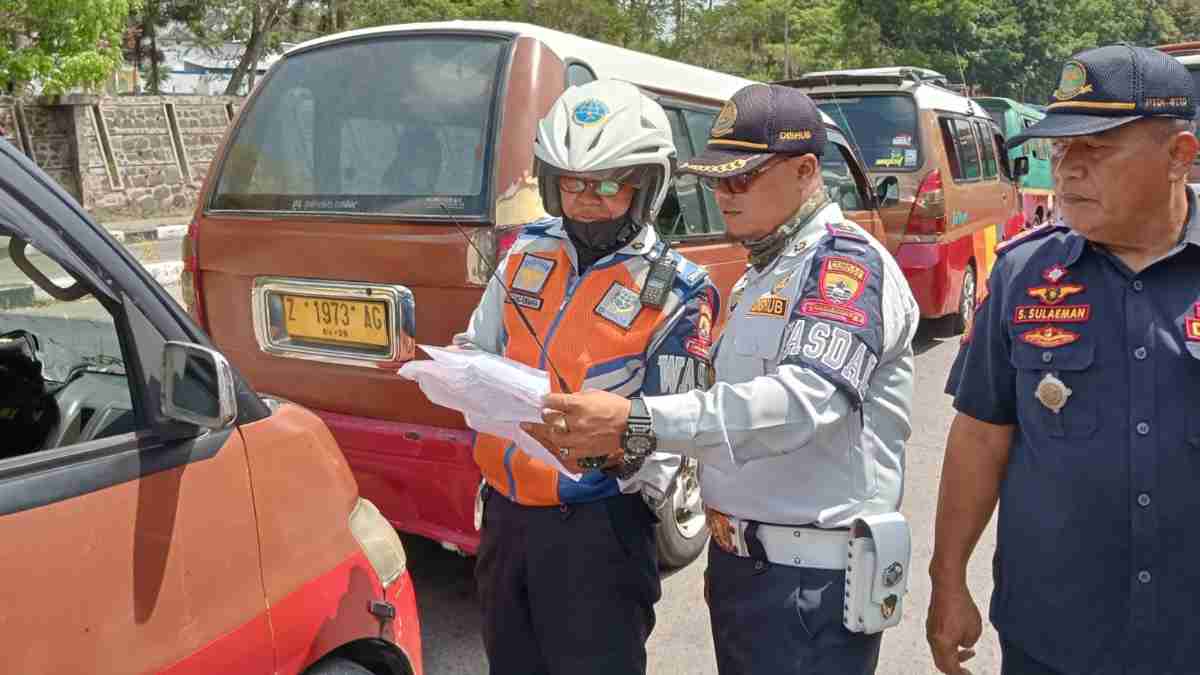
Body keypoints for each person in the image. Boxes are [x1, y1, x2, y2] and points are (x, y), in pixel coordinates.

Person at [530, 83, 920, 675]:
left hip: (809, 581)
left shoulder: (843, 266)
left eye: (740, 179)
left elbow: (801, 404)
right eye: (715, 179)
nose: (722, 195)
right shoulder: (765, 273)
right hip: (751, 568)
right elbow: (727, 422)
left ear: (806, 170)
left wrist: (636, 420)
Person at [929, 45, 1200, 675]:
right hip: (1056, 635)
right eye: (1059, 151)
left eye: (1096, 149)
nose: (1068, 171)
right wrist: (948, 580)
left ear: (1179, 155)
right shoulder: (1025, 273)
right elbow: (979, 435)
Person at [452, 78, 718, 675]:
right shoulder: (525, 250)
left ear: (645, 188)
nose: (587, 201)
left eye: (608, 186)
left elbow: (676, 428)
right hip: (507, 516)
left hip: (597, 530)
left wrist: (614, 458)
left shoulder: (678, 288)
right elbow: (478, 344)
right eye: (573, 184)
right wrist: (456, 371)